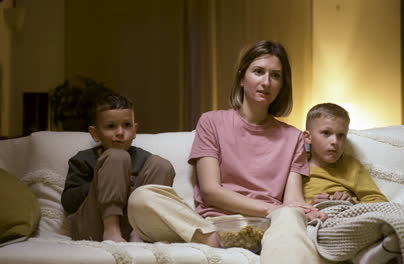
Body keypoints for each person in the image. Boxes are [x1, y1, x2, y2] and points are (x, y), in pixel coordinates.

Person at [127, 40, 328, 263]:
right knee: (142, 197)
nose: (266, 82)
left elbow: (292, 202)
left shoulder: (293, 137)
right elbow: (211, 191)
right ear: (242, 78)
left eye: (276, 76)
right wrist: (271, 209)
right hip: (212, 226)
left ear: (282, 85)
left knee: (291, 215)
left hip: (266, 228)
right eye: (258, 72)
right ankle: (216, 241)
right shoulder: (211, 122)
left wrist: (306, 210)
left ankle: (262, 245)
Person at [60, 93, 175, 242]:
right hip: (94, 226)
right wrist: (101, 182)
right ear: (95, 133)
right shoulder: (83, 159)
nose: (120, 132)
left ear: (134, 130)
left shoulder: (145, 160)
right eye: (110, 126)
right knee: (116, 156)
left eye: (127, 125)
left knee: (161, 164)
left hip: (134, 225)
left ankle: (140, 234)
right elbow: (69, 201)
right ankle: (111, 230)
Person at [302, 103, 388, 205]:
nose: (335, 141)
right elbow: (287, 203)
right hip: (312, 216)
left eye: (341, 135)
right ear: (308, 137)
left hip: (348, 214)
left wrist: (352, 203)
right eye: (326, 133)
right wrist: (309, 207)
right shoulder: (297, 165)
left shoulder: (351, 166)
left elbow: (380, 201)